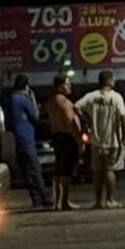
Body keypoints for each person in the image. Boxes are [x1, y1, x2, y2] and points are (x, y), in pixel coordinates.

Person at [75, 70, 125, 209]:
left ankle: (98, 201)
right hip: (113, 140)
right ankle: (110, 200)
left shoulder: (91, 96)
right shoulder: (116, 97)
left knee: (98, 171)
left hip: (96, 140)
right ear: (110, 81)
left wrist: (87, 120)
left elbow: (77, 107)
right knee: (110, 169)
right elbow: (123, 116)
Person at [5, 74, 52, 208]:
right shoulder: (23, 99)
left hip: (15, 138)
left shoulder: (10, 100)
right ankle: (45, 196)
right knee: (35, 169)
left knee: (27, 171)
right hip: (26, 137)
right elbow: (35, 116)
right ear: (26, 86)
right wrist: (32, 98)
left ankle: (36, 199)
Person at [45, 74, 82, 211]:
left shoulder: (50, 102)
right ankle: (65, 201)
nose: (70, 86)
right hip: (67, 137)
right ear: (60, 86)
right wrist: (78, 137)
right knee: (67, 171)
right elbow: (70, 120)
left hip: (56, 136)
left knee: (58, 169)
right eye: (67, 84)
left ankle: (57, 202)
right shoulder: (65, 102)